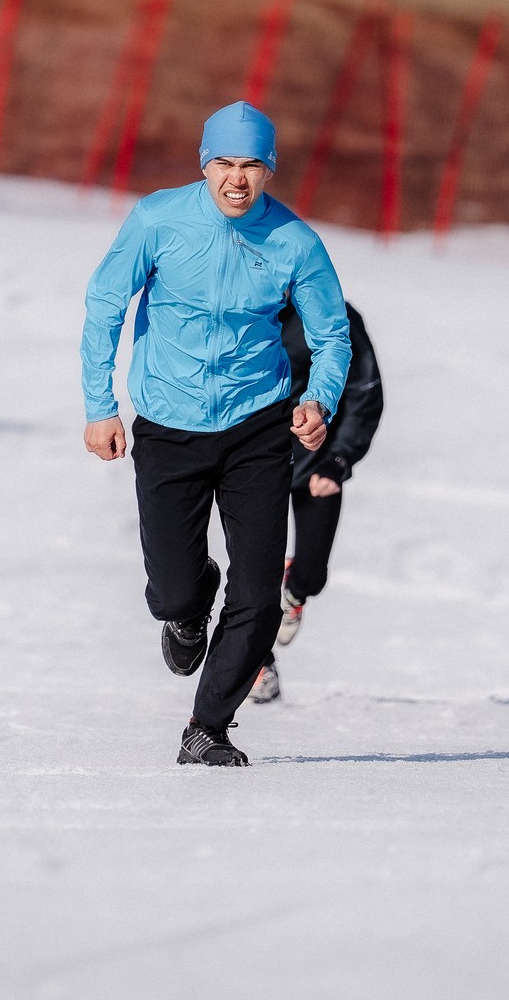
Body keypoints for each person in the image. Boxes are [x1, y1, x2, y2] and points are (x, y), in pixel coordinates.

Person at [82, 102, 350, 767]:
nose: (237, 180)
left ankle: (209, 726)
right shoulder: (158, 220)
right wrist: (99, 405)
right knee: (173, 589)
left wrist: (318, 398)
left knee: (258, 595)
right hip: (168, 426)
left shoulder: (295, 242)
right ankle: (186, 606)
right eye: (224, 164)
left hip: (256, 426)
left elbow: (331, 333)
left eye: (252, 165)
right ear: (205, 166)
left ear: (270, 169)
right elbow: (105, 304)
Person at [250, 299, 385, 704]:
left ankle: (295, 590)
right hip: (254, 465)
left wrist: (339, 460)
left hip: (317, 465)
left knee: (312, 573)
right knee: (251, 580)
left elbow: (365, 391)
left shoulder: (334, 316)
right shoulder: (242, 305)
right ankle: (257, 663)